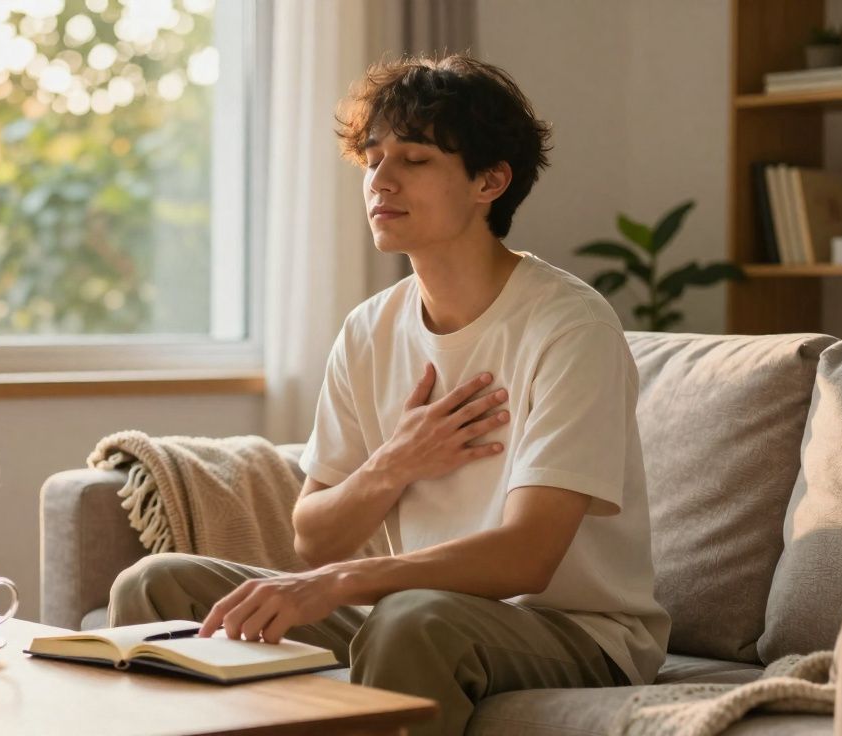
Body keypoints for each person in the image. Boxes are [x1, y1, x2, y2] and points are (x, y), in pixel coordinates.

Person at [109, 54, 669, 736]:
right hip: (418, 611)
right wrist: (394, 464)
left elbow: (528, 555)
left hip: (573, 629)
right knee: (156, 585)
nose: (381, 179)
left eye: (415, 159)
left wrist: (342, 583)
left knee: (410, 619)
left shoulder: (569, 326)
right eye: (373, 159)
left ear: (490, 181)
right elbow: (315, 536)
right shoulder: (370, 328)